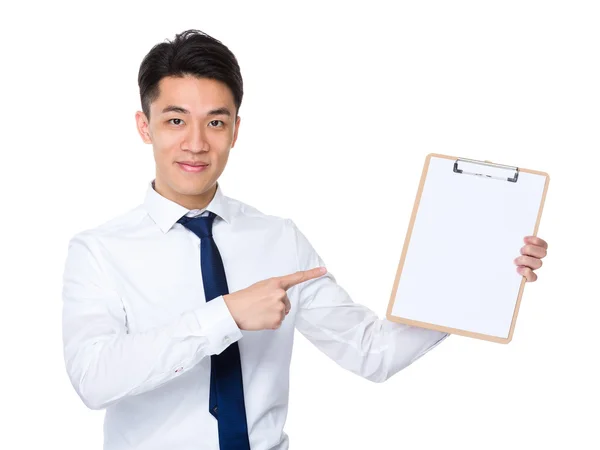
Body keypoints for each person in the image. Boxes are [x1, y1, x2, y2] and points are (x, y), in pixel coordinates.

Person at [61, 29, 549, 450]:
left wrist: (482, 275)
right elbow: (94, 380)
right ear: (144, 127)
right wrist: (226, 315)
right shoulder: (99, 251)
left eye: (215, 121)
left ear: (235, 130)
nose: (195, 143)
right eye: (174, 120)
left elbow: (371, 352)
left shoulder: (278, 239)